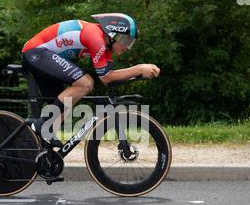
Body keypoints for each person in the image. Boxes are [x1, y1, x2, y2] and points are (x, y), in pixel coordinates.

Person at [21, 13, 160, 147]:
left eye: (130, 43)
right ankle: (40, 126)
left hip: (43, 56)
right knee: (85, 83)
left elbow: (109, 79)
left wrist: (138, 75)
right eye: (126, 41)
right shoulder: (96, 37)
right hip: (36, 52)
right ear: (113, 35)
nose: (127, 47)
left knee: (64, 108)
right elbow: (106, 77)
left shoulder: (106, 47)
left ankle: (41, 155)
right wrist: (139, 69)